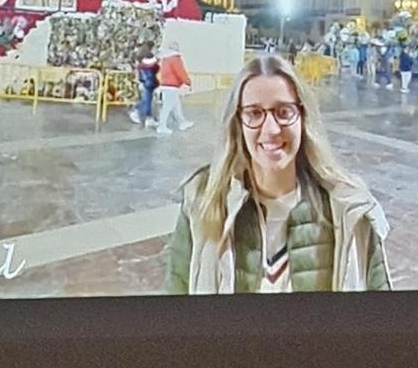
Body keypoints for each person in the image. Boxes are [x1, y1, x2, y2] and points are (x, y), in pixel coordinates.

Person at [163, 55, 390, 294]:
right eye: (254, 113)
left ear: (303, 118)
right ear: (237, 122)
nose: (271, 129)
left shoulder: (349, 208)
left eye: (284, 112)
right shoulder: (202, 200)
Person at [155, 41, 195, 134]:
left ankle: (182, 122)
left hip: (165, 85)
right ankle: (161, 126)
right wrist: (188, 82)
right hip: (172, 86)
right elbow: (180, 72)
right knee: (167, 107)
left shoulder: (165, 58)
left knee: (176, 105)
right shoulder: (175, 58)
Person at [129, 46, 160, 127]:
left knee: (147, 101)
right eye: (155, 49)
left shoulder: (142, 63)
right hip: (147, 84)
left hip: (146, 84)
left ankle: (148, 118)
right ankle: (137, 113)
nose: (156, 50)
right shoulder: (146, 64)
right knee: (146, 101)